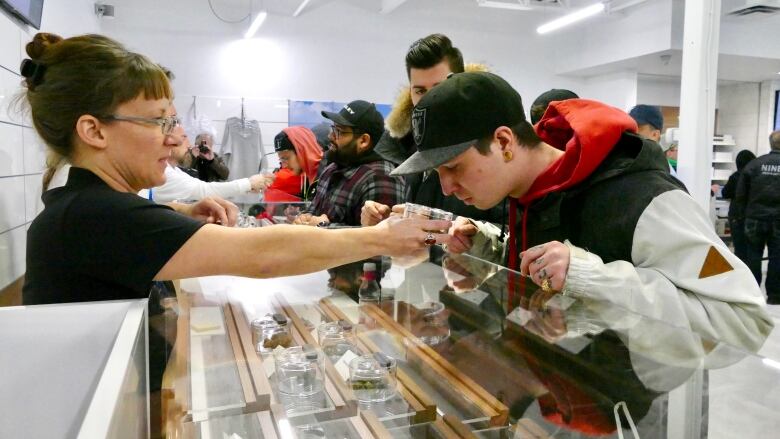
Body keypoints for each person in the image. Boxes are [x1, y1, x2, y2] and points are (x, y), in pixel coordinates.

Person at [20, 32, 453, 306]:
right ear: (94, 131)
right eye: (159, 121)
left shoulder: (84, 206)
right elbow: (265, 255)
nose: (174, 139)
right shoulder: (94, 216)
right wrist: (379, 238)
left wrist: (179, 217)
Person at [390, 71, 772, 352]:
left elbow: (746, 321)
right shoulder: (526, 195)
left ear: (504, 142)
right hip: (557, 400)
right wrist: (485, 249)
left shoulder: (644, 198)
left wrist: (595, 279)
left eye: (453, 167)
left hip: (635, 418)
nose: (446, 188)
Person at [362, 33, 503, 227]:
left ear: (461, 83)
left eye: (441, 88)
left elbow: (520, 238)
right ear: (409, 93)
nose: (429, 101)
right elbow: (427, 237)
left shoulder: (494, 145)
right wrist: (389, 223)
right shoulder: (406, 148)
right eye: (420, 91)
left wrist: (445, 225)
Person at [296, 100, 406, 227]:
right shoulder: (332, 168)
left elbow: (381, 239)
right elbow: (313, 210)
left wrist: (322, 226)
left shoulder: (381, 177)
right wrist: (304, 218)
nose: (331, 136)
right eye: (333, 128)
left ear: (363, 140)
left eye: (339, 131)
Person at [144, 124, 270, 203]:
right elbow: (203, 189)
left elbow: (224, 175)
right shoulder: (166, 173)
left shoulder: (173, 170)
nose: (188, 144)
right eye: (184, 138)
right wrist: (249, 184)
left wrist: (211, 160)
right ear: (171, 142)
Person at [733, 131, 780, 304]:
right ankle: (775, 296)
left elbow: (741, 195)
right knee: (777, 257)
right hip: (778, 220)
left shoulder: (754, 165)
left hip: (754, 218)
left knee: (753, 255)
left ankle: (752, 293)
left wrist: (740, 216)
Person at [265, 126, 323, 201]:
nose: (284, 166)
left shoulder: (326, 174)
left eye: (286, 158)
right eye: (281, 160)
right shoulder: (307, 174)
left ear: (302, 151)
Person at [721, 149, 756, 264]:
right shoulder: (756, 176)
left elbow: (725, 193)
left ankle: (742, 274)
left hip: (736, 215)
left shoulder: (735, 177)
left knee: (739, 248)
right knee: (753, 249)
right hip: (753, 216)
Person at [628, 104, 676, 176]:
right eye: (630, 129)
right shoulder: (621, 161)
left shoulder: (666, 173)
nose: (631, 135)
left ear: (655, 135)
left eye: (637, 130)